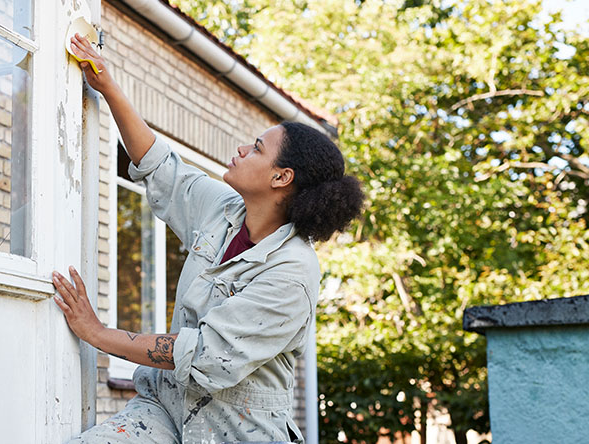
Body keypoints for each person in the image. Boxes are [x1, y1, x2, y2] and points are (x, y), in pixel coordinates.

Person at [51, 33, 365, 444]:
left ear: (281, 177)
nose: (240, 149)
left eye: (255, 148)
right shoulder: (224, 210)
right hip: (163, 410)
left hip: (235, 431)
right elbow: (161, 167)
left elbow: (204, 357)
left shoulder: (293, 273)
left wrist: (97, 333)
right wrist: (108, 87)